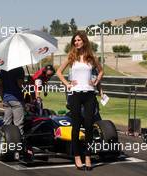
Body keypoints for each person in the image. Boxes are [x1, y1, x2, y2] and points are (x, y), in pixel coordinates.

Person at [56, 31, 103, 170]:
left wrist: (96, 80)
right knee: (76, 126)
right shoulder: (71, 57)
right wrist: (67, 83)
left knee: (88, 126)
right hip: (75, 94)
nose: (76, 42)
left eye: (79, 40)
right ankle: (77, 157)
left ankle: (87, 156)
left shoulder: (91, 57)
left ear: (84, 41)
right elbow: (58, 72)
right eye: (74, 41)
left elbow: (101, 71)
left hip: (89, 94)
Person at [0, 67, 25, 135]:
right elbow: (20, 85)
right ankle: (19, 142)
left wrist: (3, 98)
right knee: (18, 124)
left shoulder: (3, 69)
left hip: (6, 99)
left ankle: (5, 140)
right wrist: (28, 83)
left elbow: (0, 85)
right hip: (16, 99)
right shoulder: (19, 69)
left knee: (7, 123)